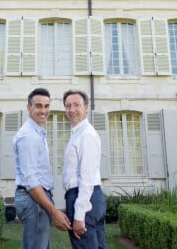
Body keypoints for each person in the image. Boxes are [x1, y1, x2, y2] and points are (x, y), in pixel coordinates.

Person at [13, 87, 72, 249]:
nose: (43, 111)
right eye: (38, 106)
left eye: (46, 106)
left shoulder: (37, 132)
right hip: (34, 199)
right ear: (28, 107)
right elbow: (31, 181)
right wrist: (54, 211)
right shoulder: (29, 136)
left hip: (36, 199)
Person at [62, 89, 106, 249]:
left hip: (83, 198)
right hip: (89, 197)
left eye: (76, 105)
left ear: (86, 107)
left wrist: (79, 214)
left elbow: (87, 177)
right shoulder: (77, 133)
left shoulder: (86, 134)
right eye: (68, 106)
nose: (71, 110)